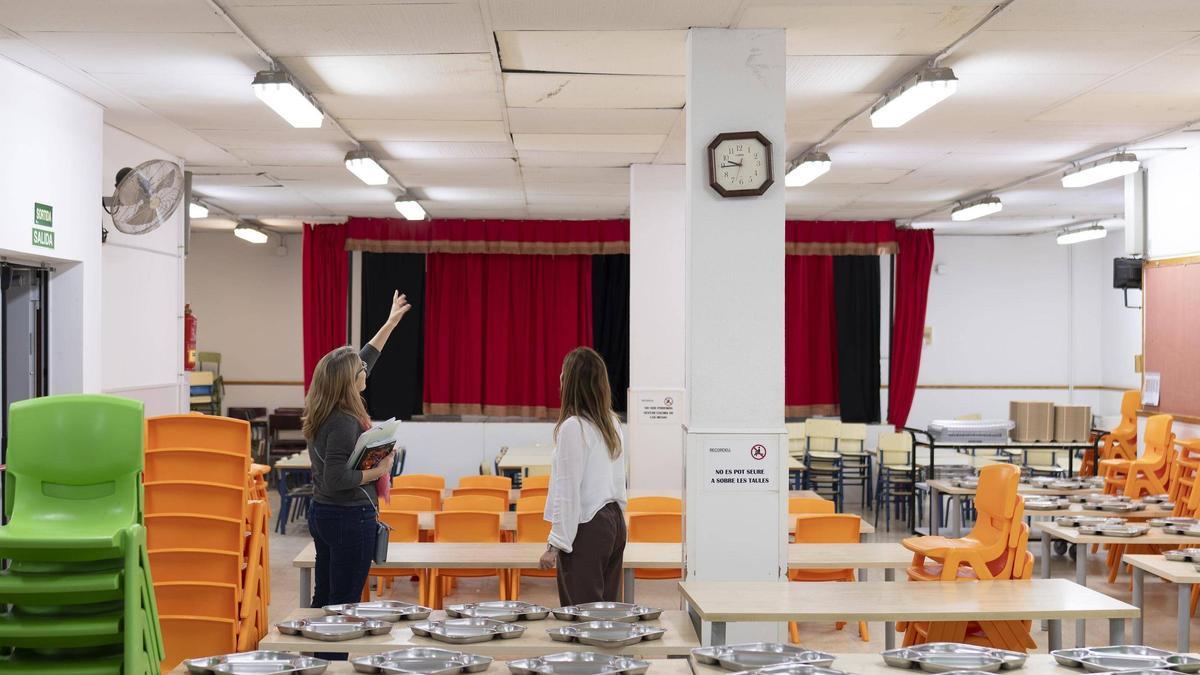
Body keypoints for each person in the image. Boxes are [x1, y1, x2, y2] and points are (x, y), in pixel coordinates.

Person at [303, 290, 411, 609]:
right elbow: (338, 478)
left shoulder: (327, 407)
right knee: (343, 602)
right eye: (360, 370)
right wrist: (379, 469)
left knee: (325, 598)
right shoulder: (343, 421)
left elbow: (367, 356)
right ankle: (331, 657)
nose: (365, 371)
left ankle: (319, 657)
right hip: (347, 516)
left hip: (326, 513)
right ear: (350, 381)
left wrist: (390, 322)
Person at [539, 346, 628, 605]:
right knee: (607, 612)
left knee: (581, 616)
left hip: (588, 527)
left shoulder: (573, 427)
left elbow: (568, 492)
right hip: (614, 522)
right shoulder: (612, 423)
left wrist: (555, 544)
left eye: (563, 373)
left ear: (570, 382)